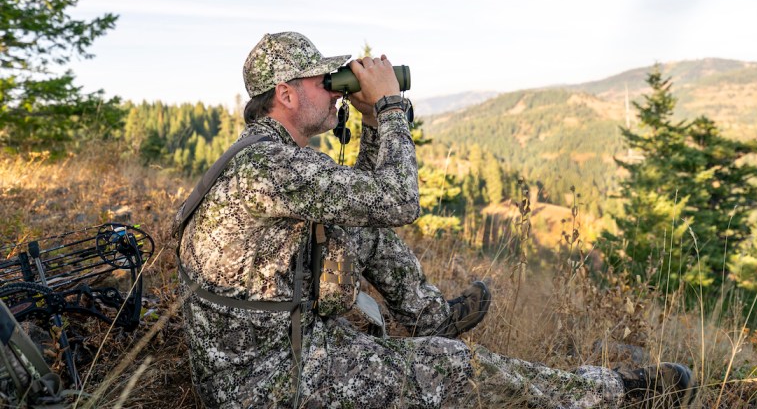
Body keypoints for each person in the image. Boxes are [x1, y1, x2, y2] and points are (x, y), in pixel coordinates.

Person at [176, 32, 694, 408]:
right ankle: (610, 394)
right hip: (263, 384)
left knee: (363, 230)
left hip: (276, 346)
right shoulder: (272, 165)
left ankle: (429, 318)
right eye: (324, 81)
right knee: (453, 365)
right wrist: (393, 106)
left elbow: (368, 204)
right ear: (285, 94)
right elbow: (399, 200)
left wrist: (373, 121)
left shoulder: (271, 154)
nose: (337, 90)